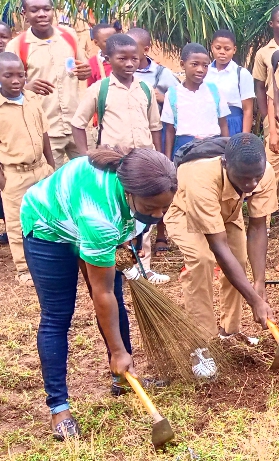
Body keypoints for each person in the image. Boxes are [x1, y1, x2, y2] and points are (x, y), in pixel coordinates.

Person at [22, 147, 177, 441]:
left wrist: (130, 235)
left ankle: (122, 378)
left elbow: (133, 227)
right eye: (151, 207)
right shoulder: (100, 215)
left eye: (164, 208)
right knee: (58, 315)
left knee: (117, 301)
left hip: (86, 218)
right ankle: (59, 408)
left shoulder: (143, 191)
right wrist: (118, 351)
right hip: (48, 227)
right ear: (130, 193)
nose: (157, 215)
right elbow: (100, 292)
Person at [163, 134, 275, 377]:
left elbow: (257, 227)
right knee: (201, 261)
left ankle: (229, 331)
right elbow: (218, 248)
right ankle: (201, 344)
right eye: (244, 178)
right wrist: (255, 302)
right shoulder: (200, 178)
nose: (252, 184)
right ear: (225, 164)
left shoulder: (263, 172)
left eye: (256, 176)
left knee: (240, 259)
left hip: (226, 213)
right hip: (185, 213)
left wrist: (259, 282)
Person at [70, 33, 168, 283]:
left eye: (134, 58)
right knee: (116, 213)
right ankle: (119, 268)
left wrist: (158, 157)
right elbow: (78, 123)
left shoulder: (145, 89)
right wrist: (85, 156)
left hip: (143, 162)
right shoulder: (99, 89)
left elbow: (155, 127)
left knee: (143, 212)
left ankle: (144, 268)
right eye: (121, 58)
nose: (129, 63)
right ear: (108, 58)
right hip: (113, 165)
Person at [7, 0, 88, 168]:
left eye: (46, 9)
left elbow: (83, 68)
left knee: (87, 175)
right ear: (25, 13)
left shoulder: (69, 36)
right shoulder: (17, 46)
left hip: (77, 125)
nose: (42, 14)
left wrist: (85, 73)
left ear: (53, 11)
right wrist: (25, 88)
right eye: (34, 10)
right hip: (45, 131)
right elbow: (5, 88)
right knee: (52, 180)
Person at [0, 52, 55, 287]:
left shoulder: (32, 98)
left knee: (48, 215)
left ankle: (51, 257)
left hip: (41, 169)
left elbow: (44, 134)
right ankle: (24, 268)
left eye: (20, 75)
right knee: (16, 223)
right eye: (8, 75)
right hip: (14, 174)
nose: (15, 80)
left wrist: (51, 164)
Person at [251, 6, 279, 199]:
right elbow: (260, 86)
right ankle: (270, 210)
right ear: (272, 24)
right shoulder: (263, 53)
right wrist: (266, 117)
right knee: (273, 162)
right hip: (272, 114)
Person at [162, 43, 231, 158]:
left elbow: (223, 124)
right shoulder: (173, 94)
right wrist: (168, 159)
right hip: (184, 148)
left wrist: (227, 152)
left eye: (205, 66)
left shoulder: (214, 91)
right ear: (182, 64)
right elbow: (169, 131)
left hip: (212, 147)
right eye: (195, 64)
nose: (200, 70)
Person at [206, 30, 255, 136]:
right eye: (218, 48)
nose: (222, 52)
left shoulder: (241, 74)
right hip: (208, 123)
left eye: (227, 49)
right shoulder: (205, 72)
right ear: (212, 47)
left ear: (234, 50)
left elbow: (248, 110)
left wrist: (244, 136)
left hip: (233, 123)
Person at [126, 28, 181, 109]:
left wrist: (164, 99)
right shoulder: (119, 72)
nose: (126, 51)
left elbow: (183, 102)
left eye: (132, 48)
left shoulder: (162, 74)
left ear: (146, 50)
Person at [84, 23, 114, 87]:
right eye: (107, 41)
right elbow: (91, 89)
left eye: (115, 39)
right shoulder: (92, 63)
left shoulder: (126, 58)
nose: (113, 43)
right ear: (96, 42)